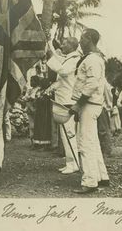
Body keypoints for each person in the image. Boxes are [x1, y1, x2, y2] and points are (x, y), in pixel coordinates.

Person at [70, 28, 109, 194]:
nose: (80, 42)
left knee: (85, 143)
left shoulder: (92, 59)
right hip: (91, 105)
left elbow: (92, 84)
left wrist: (79, 104)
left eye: (82, 38)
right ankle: (101, 176)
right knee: (93, 142)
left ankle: (90, 182)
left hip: (89, 104)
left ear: (90, 40)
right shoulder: (93, 58)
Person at [46, 37, 81, 174]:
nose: (62, 45)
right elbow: (57, 58)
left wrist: (50, 55)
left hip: (68, 100)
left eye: (65, 43)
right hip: (63, 99)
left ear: (72, 46)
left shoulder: (74, 59)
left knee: (70, 134)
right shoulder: (68, 58)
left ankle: (75, 163)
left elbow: (62, 70)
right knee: (65, 135)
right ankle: (69, 162)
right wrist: (49, 45)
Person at [97, 80, 115, 157]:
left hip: (101, 107)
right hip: (91, 108)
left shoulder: (103, 81)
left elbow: (109, 93)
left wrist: (109, 107)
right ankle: (99, 149)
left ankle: (107, 150)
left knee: (103, 130)